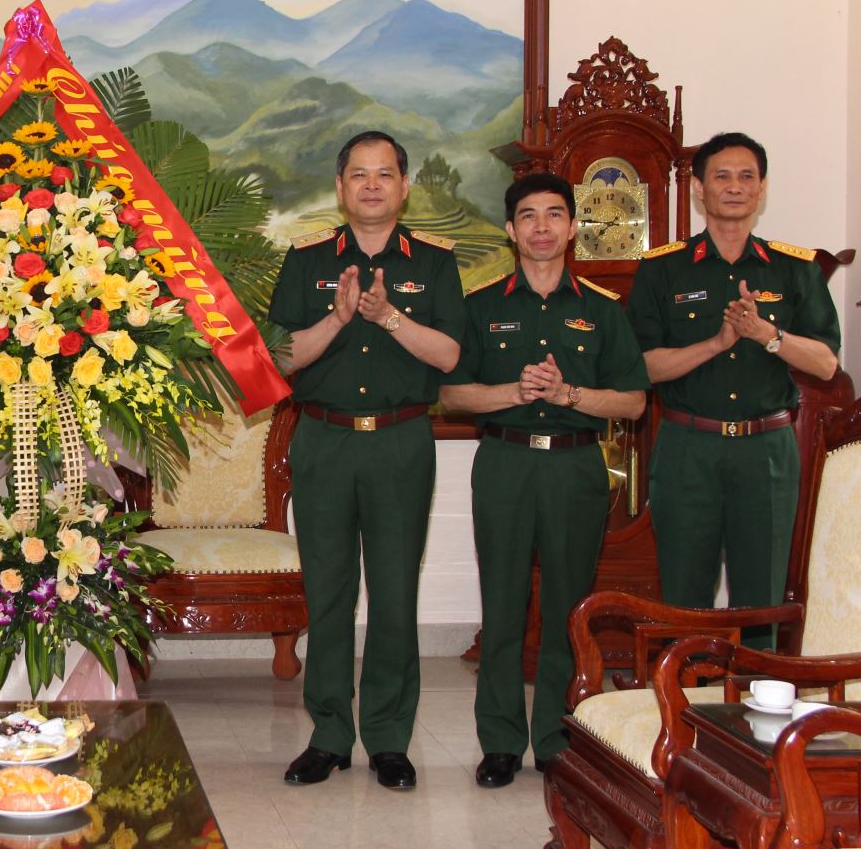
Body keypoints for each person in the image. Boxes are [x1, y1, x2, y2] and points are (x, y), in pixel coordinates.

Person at [267, 130, 465, 790]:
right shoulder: (307, 259)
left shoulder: (434, 263)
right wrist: (338, 317)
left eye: (385, 174)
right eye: (359, 174)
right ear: (340, 187)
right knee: (327, 592)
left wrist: (387, 317)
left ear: (404, 187)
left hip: (399, 442)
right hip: (322, 440)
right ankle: (328, 735)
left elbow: (450, 355)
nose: (372, 185)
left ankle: (387, 737)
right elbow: (281, 359)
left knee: (394, 591)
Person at [439, 173, 649, 786]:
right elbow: (452, 394)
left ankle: (557, 737)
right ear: (511, 229)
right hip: (505, 463)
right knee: (502, 604)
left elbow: (634, 402)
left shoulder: (602, 310)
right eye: (528, 215)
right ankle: (500, 742)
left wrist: (567, 394)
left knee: (567, 606)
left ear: (573, 227)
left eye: (554, 214)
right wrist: (513, 392)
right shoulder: (481, 306)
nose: (541, 227)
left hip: (574, 466)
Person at [627, 132, 840, 647]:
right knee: (684, 597)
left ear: (762, 189)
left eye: (747, 176)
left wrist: (767, 335)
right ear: (700, 189)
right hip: (687, 449)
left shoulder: (795, 267)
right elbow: (643, 367)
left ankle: (754, 697)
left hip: (765, 451)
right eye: (722, 176)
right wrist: (717, 343)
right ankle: (686, 696)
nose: (735, 187)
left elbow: (826, 363)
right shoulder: (662, 268)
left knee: (761, 600)